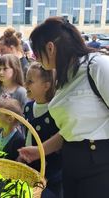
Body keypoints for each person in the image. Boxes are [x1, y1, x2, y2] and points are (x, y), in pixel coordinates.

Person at [18, 16, 109, 198]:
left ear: (50, 48)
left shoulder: (97, 66)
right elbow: (71, 130)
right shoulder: (66, 75)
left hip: (98, 164)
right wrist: (40, 150)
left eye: (36, 53)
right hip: (72, 160)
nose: (36, 58)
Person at [23, 63, 62, 198]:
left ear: (46, 86)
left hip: (51, 173)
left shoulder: (55, 111)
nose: (25, 84)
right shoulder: (28, 107)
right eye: (25, 80)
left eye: (30, 81)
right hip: (30, 166)